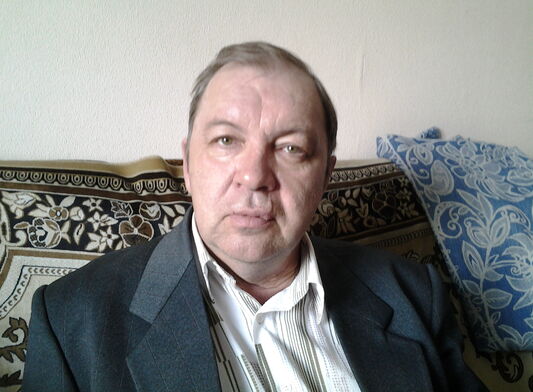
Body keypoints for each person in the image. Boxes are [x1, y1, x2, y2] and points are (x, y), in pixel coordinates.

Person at [22, 42, 487, 392]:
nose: (254, 176)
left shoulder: (415, 294)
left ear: (325, 176)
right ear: (188, 165)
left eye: (291, 148)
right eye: (226, 140)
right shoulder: (71, 319)